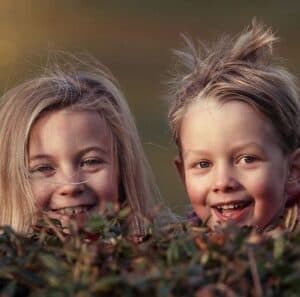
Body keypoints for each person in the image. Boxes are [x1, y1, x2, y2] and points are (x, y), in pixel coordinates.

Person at [0, 55, 168, 235]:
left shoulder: (170, 256)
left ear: (123, 169)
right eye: (43, 168)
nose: (71, 185)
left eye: (90, 162)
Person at [167, 22, 300, 233]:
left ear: (293, 170)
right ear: (183, 175)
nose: (223, 182)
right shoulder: (174, 252)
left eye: (247, 159)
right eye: (203, 164)